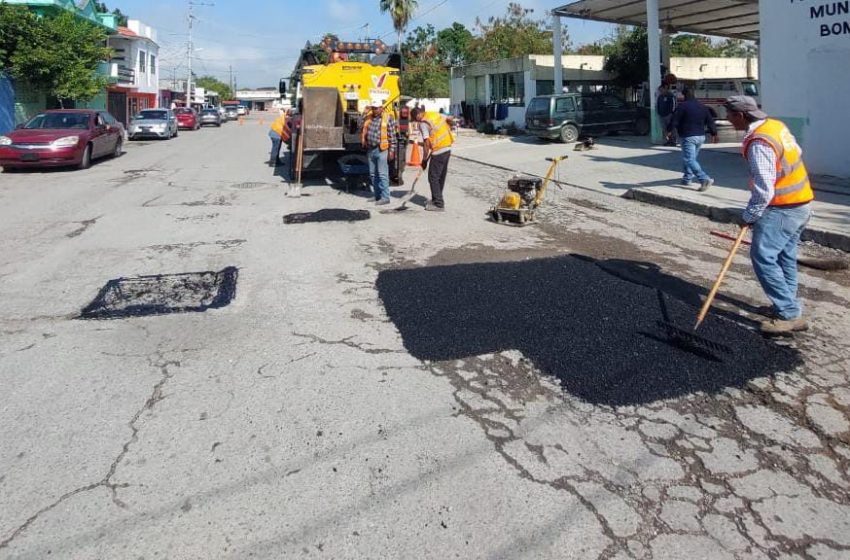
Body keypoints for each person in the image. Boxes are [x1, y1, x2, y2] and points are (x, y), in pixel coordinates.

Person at [725, 96, 814, 335]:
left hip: (782, 208)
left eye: (730, 115)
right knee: (785, 256)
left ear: (741, 116)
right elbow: (797, 152)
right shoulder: (776, 126)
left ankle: (789, 314)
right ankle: (787, 305)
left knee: (763, 257)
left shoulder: (759, 143)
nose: (728, 119)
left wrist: (749, 216)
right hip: (802, 203)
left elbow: (764, 190)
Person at [668, 87, 718, 191]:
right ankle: (687, 179)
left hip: (688, 136)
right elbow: (710, 121)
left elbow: (675, 120)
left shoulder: (682, 107)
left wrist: (669, 131)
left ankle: (704, 179)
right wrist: (714, 133)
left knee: (689, 159)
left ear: (684, 95)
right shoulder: (702, 106)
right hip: (701, 136)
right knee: (691, 159)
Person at [411, 107, 455, 211]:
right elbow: (450, 120)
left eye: (415, 119)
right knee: (440, 176)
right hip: (447, 146)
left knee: (433, 177)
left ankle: (438, 204)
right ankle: (436, 199)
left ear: (417, 115)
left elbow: (426, 144)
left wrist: (424, 160)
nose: (416, 122)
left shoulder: (423, 123)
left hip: (439, 150)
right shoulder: (434, 114)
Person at [360, 98, 398, 205]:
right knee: (373, 174)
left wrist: (392, 151)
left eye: (376, 108)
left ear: (381, 108)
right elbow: (359, 125)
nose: (374, 110)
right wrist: (364, 113)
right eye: (373, 108)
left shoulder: (388, 119)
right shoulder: (369, 117)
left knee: (382, 174)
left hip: (382, 149)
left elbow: (392, 136)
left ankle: (385, 197)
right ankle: (377, 196)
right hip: (371, 149)